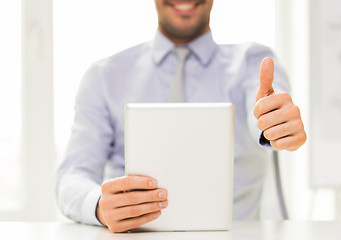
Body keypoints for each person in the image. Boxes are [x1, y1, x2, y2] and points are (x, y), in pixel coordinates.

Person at [56, 0, 306, 233]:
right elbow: (71, 178)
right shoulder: (103, 77)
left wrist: (275, 121)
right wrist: (99, 205)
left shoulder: (252, 63)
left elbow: (264, 107)